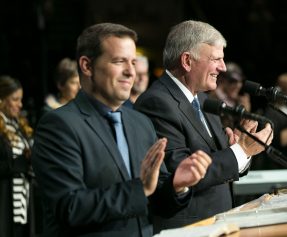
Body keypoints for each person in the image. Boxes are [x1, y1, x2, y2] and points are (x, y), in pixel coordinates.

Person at [31, 23, 212, 237]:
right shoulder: (58, 125)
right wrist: (140, 189)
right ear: (87, 66)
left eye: (133, 62)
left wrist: (177, 185)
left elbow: (156, 202)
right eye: (119, 61)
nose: (130, 72)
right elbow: (70, 207)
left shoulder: (141, 123)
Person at [134, 20, 273, 231]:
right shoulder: (157, 103)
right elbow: (181, 172)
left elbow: (222, 167)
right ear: (187, 61)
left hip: (217, 224)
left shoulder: (202, 100)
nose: (223, 67)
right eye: (216, 59)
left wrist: (238, 151)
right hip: (189, 229)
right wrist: (239, 150)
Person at [0, 75, 35, 236]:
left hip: (22, 198)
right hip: (4, 200)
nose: (20, 105)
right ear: (1, 100)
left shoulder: (17, 125)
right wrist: (19, 164)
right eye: (15, 99)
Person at [209, 61, 251, 128]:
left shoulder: (238, 103)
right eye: (233, 81)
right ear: (222, 79)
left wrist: (245, 113)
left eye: (240, 81)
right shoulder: (212, 98)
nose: (238, 85)